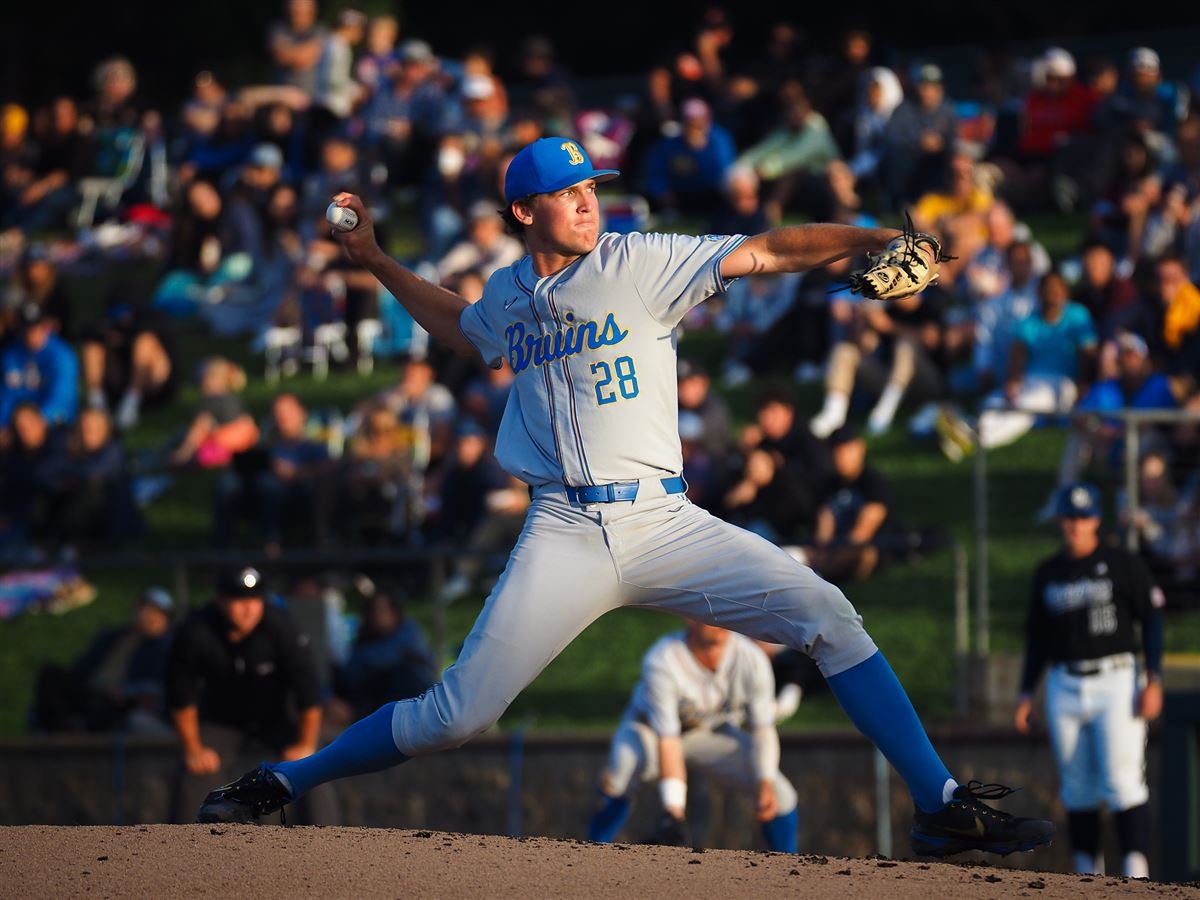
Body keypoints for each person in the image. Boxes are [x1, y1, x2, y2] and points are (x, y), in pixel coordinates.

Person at [198, 136, 1055, 859]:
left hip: (664, 519)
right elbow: (463, 329)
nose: (585, 202)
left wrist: (867, 237)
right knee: (456, 716)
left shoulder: (640, 263)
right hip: (564, 529)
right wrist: (378, 260)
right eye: (564, 192)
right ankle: (284, 779)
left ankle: (938, 803)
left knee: (828, 613)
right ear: (524, 211)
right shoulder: (507, 295)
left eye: (589, 187)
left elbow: (766, 249)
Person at [1015, 483, 1164, 878]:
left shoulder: (1121, 562)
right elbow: (1038, 639)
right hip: (1065, 682)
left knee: (1122, 781)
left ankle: (1137, 877)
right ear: (1060, 520)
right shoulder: (1049, 573)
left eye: (1083, 517)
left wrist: (1154, 678)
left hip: (1116, 679)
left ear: (1096, 519)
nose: (1076, 525)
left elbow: (1150, 619)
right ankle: (1086, 877)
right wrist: (1026, 693)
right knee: (1077, 787)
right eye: (1069, 517)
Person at [586, 622, 800, 852]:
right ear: (690, 618)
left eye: (722, 612)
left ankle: (790, 872)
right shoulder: (664, 658)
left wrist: (764, 782)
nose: (717, 621)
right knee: (622, 768)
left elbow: (763, 728)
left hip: (709, 734)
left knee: (781, 795)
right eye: (708, 614)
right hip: (649, 732)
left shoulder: (751, 658)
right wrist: (674, 811)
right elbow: (668, 739)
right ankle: (592, 853)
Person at [167, 567, 329, 824]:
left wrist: (306, 745)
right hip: (222, 718)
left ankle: (329, 840)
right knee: (195, 770)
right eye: (239, 600)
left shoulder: (282, 626)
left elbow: (308, 691)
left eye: (255, 600)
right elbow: (180, 695)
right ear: (220, 599)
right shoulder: (196, 630)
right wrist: (193, 749)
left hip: (275, 715)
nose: (249, 608)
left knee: (314, 765)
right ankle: (177, 843)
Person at [31, 587, 174, 733]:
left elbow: (157, 685)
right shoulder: (113, 637)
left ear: (165, 618)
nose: (144, 615)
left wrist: (127, 691)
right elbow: (83, 666)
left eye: (152, 611)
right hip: (92, 690)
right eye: (142, 608)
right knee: (50, 676)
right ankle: (60, 728)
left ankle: (70, 728)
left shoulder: (165, 647)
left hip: (120, 701)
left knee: (103, 706)